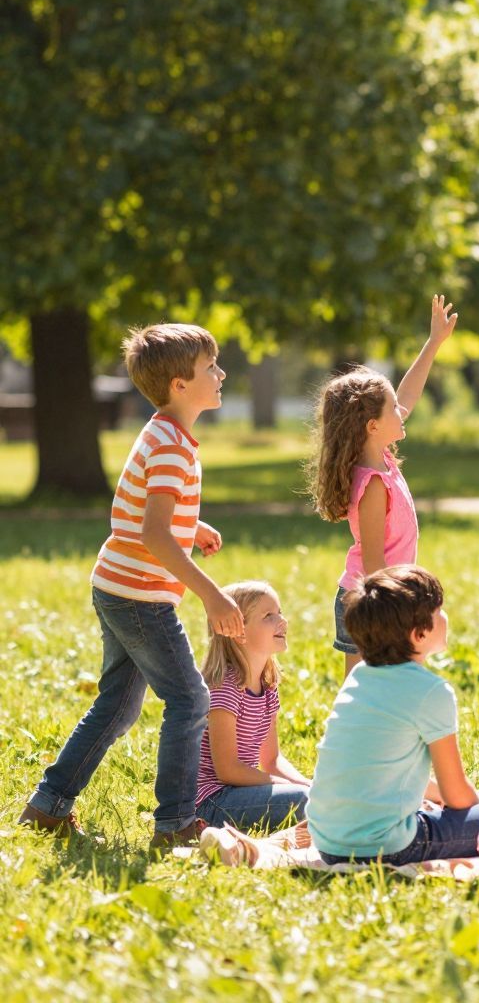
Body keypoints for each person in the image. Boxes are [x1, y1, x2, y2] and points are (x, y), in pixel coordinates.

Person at [20, 323, 238, 848]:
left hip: (119, 584)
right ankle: (175, 824)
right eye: (210, 366)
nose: (222, 372)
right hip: (140, 594)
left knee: (118, 705)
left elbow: (154, 513)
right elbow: (155, 533)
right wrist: (211, 593)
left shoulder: (167, 434)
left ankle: (48, 805)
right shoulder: (171, 446)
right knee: (189, 700)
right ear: (180, 385)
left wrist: (193, 525)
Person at [305, 295, 455, 672]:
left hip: (383, 598)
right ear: (372, 426)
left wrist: (433, 342)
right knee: (361, 690)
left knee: (383, 686)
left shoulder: (381, 455)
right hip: (369, 602)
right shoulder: (372, 484)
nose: (402, 411)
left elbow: (408, 393)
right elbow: (373, 563)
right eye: (393, 410)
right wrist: (395, 611)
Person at [307, 566, 479, 865]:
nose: (445, 618)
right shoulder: (431, 691)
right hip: (389, 847)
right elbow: (457, 795)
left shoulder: (359, 677)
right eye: (439, 611)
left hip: (328, 842)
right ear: (418, 634)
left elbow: (380, 770)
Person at [195, 581, 312, 831]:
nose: (283, 621)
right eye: (269, 616)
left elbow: (271, 760)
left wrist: (309, 785)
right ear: (238, 630)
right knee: (307, 802)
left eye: (279, 612)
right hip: (213, 802)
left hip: (241, 793)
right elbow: (227, 770)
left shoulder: (267, 686)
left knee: (315, 796)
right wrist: (291, 788)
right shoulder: (225, 688)